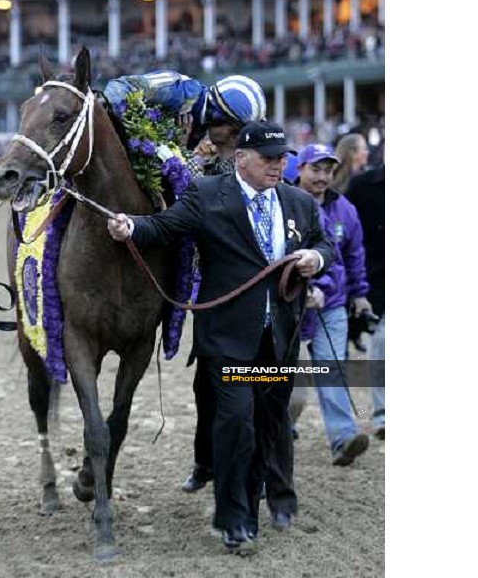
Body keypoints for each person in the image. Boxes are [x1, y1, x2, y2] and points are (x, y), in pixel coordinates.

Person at [107, 121, 335, 554]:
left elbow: (326, 244)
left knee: (274, 422)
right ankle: (235, 518)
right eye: (269, 158)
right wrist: (130, 227)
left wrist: (314, 257)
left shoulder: (299, 202)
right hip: (228, 339)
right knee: (235, 424)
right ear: (241, 159)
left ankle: (279, 497)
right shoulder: (208, 195)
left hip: (280, 338)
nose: (278, 165)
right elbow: (164, 226)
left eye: (282, 157)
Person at [180, 85, 267, 494]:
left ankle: (260, 469)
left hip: (259, 291)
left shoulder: (265, 166)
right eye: (210, 122)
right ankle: (205, 461)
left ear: (239, 128)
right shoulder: (204, 165)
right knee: (206, 387)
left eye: (219, 124)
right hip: (214, 290)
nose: (211, 131)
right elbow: (182, 201)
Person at [294, 143, 372, 465]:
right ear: (300, 169)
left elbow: (352, 256)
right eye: (316, 169)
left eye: (328, 170)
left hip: (331, 304)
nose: (322, 177)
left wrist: (360, 293)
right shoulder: (282, 203)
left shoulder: (345, 210)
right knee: (286, 379)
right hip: (290, 308)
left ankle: (342, 436)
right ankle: (278, 428)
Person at [104, 71, 267, 151]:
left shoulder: (203, 128)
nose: (234, 141)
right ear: (217, 116)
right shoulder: (177, 88)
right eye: (235, 132)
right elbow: (119, 87)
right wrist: (138, 131)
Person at [346, 163, 385, 439]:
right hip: (376, 280)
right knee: (382, 342)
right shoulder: (362, 186)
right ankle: (383, 413)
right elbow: (348, 235)